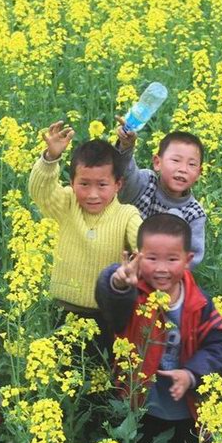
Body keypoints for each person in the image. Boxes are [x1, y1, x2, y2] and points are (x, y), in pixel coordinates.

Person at [95, 213, 222, 443]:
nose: (160, 268)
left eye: (171, 259)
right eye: (151, 258)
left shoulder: (198, 303)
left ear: (188, 259)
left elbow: (221, 343)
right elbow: (111, 304)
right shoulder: (133, 295)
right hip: (140, 412)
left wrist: (191, 373)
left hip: (187, 415)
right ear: (137, 257)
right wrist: (117, 281)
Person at [28, 121, 142, 356]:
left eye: (102, 185)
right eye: (83, 184)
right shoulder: (68, 203)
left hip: (106, 317)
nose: (92, 194)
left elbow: (144, 242)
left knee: (99, 382)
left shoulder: (127, 215)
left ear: (118, 184)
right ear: (71, 183)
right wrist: (50, 158)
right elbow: (40, 192)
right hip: (62, 312)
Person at [115, 120, 207, 267]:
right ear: (157, 163)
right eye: (176, 160)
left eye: (192, 164)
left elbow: (192, 257)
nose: (183, 169)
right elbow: (124, 175)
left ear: (199, 173)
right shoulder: (146, 182)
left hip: (159, 276)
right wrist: (126, 147)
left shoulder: (195, 213)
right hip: (119, 263)